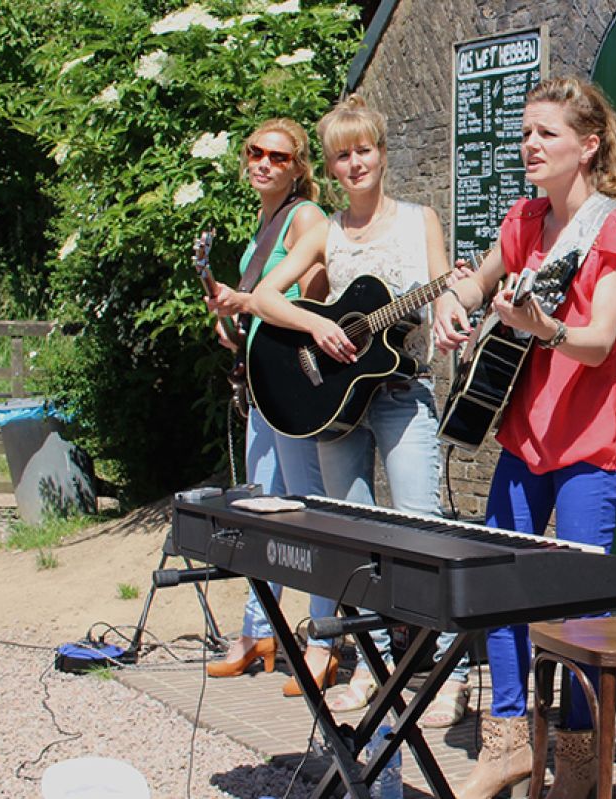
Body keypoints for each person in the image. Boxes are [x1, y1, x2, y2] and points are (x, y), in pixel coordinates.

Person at [432, 76, 616, 799]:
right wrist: (450, 308)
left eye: (546, 133)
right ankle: (506, 743)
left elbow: (599, 340)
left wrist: (545, 329)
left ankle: (581, 763)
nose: (529, 144)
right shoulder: (523, 220)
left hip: (591, 441)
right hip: (525, 434)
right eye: (526, 132)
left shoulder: (615, 229)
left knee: (582, 606)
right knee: (499, 586)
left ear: (587, 146)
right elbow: (474, 284)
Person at [249, 95, 470, 727]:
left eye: (363, 150)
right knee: (349, 534)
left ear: (381, 151)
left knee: (420, 531)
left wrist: (453, 307)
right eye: (342, 156)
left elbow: (447, 284)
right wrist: (315, 330)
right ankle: (376, 670)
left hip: (400, 395)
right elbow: (265, 297)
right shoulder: (326, 231)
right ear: (331, 164)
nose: (354, 164)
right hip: (335, 404)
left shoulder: (418, 219)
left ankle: (434, 675)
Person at [202, 118, 341, 697]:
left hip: (291, 384)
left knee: (306, 507)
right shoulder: (264, 221)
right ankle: (259, 631)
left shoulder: (306, 216)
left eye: (278, 157)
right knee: (262, 505)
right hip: (260, 383)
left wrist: (265, 311)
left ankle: (323, 642)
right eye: (256, 153)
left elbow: (318, 284)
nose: (264, 163)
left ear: (298, 167)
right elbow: (259, 304)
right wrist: (233, 325)